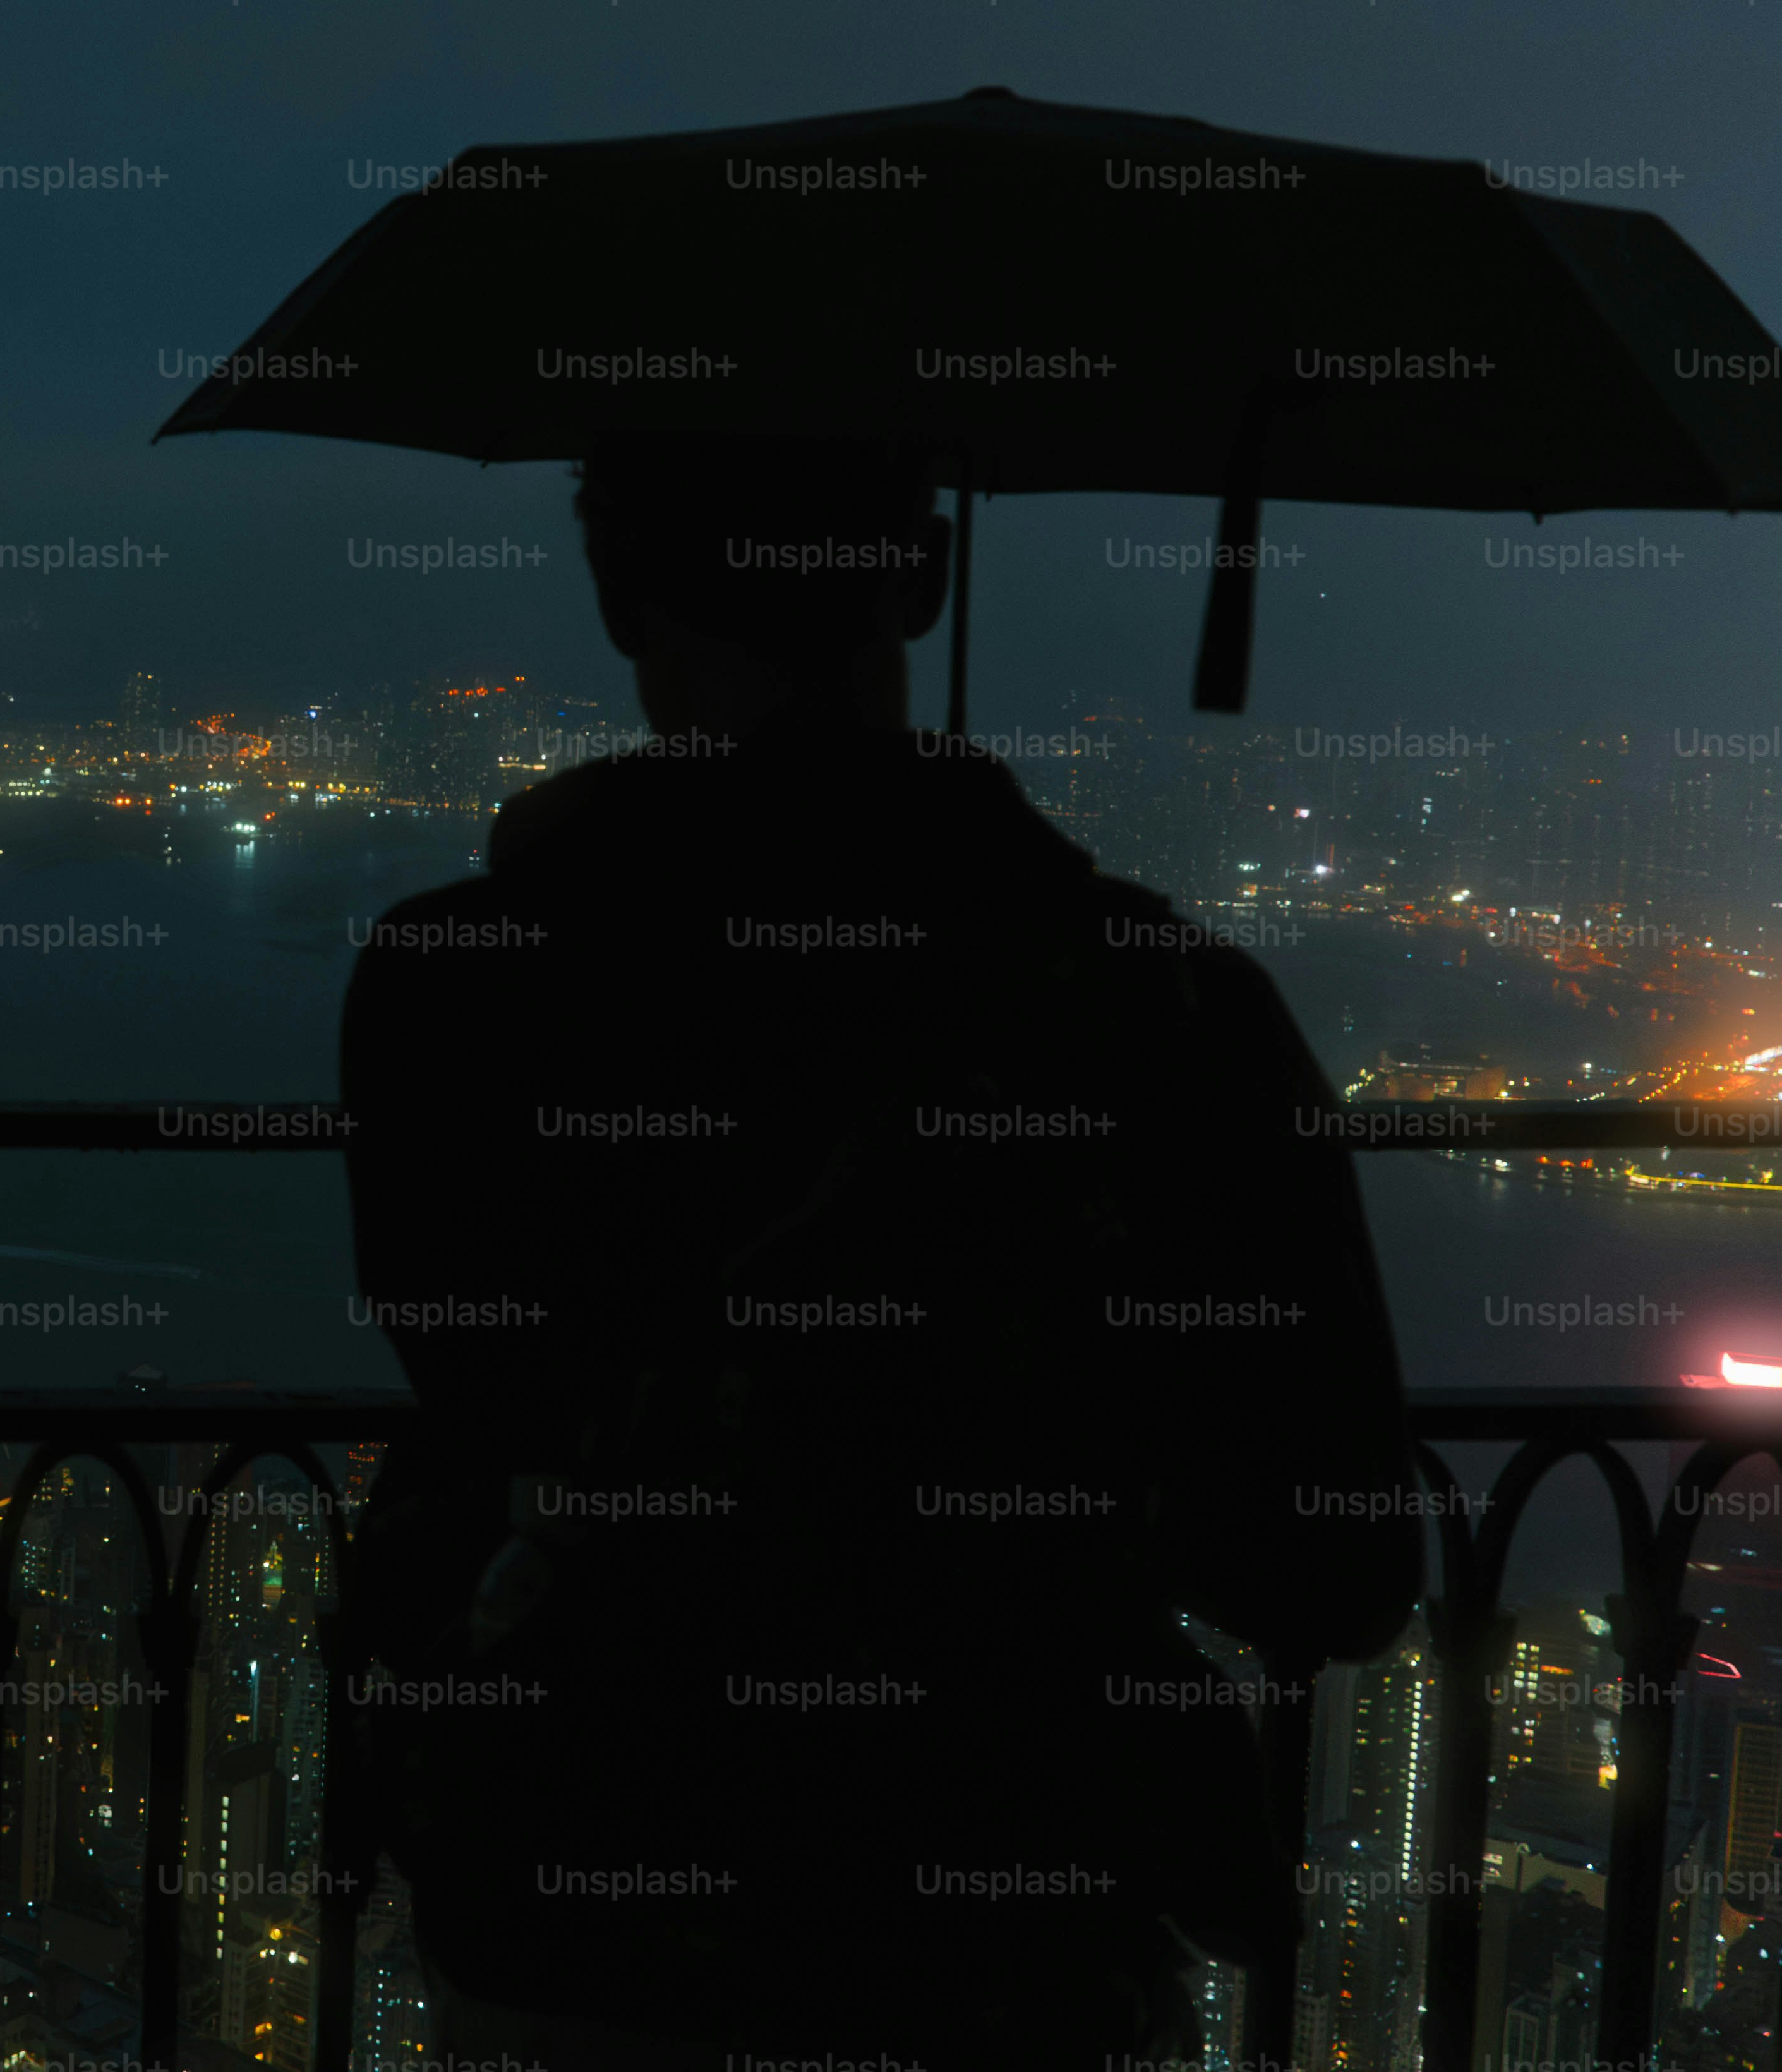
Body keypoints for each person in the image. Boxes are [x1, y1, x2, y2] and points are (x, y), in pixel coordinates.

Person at [339, 431, 1419, 2066]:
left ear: (620, 592)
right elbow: (1332, 1560)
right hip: (1010, 1956)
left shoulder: (454, 987)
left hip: (576, 1929)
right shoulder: (1170, 1016)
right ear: (925, 574)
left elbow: (493, 1396)